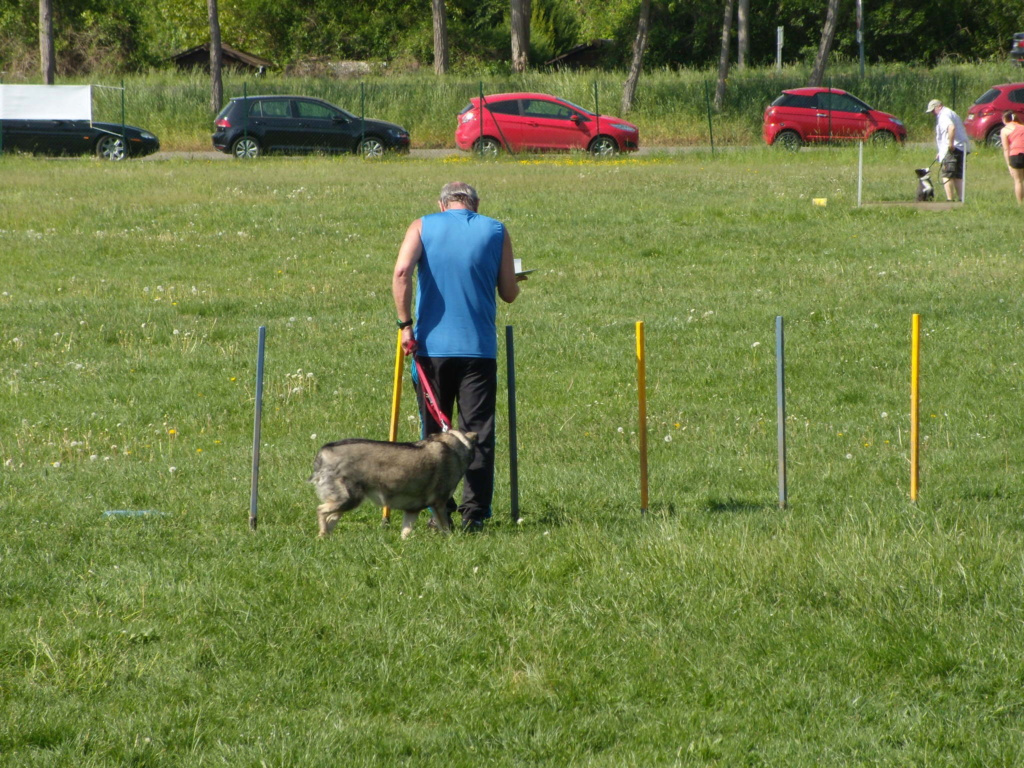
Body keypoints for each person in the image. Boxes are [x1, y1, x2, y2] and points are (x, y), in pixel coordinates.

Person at [392, 181, 522, 530]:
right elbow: (509, 293)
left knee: (434, 434)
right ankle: (475, 514)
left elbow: (402, 272)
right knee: (477, 431)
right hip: (478, 348)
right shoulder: (495, 230)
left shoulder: (422, 225)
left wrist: (405, 325)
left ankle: (439, 512)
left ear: (442, 203)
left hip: (430, 348)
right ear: (475, 205)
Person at [926, 98, 969, 202]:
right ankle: (961, 199)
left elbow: (951, 128)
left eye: (933, 110)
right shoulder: (951, 113)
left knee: (947, 174)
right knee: (958, 175)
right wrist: (940, 152)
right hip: (961, 147)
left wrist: (950, 144)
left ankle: (950, 200)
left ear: (939, 106)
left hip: (952, 149)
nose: (932, 113)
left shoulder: (944, 115)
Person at [1000, 111, 1024, 204]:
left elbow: (1006, 149)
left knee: (1018, 181)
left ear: (1004, 120)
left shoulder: (1005, 130)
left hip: (1016, 155)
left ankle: (1020, 204)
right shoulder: (1022, 127)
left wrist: (1009, 164)